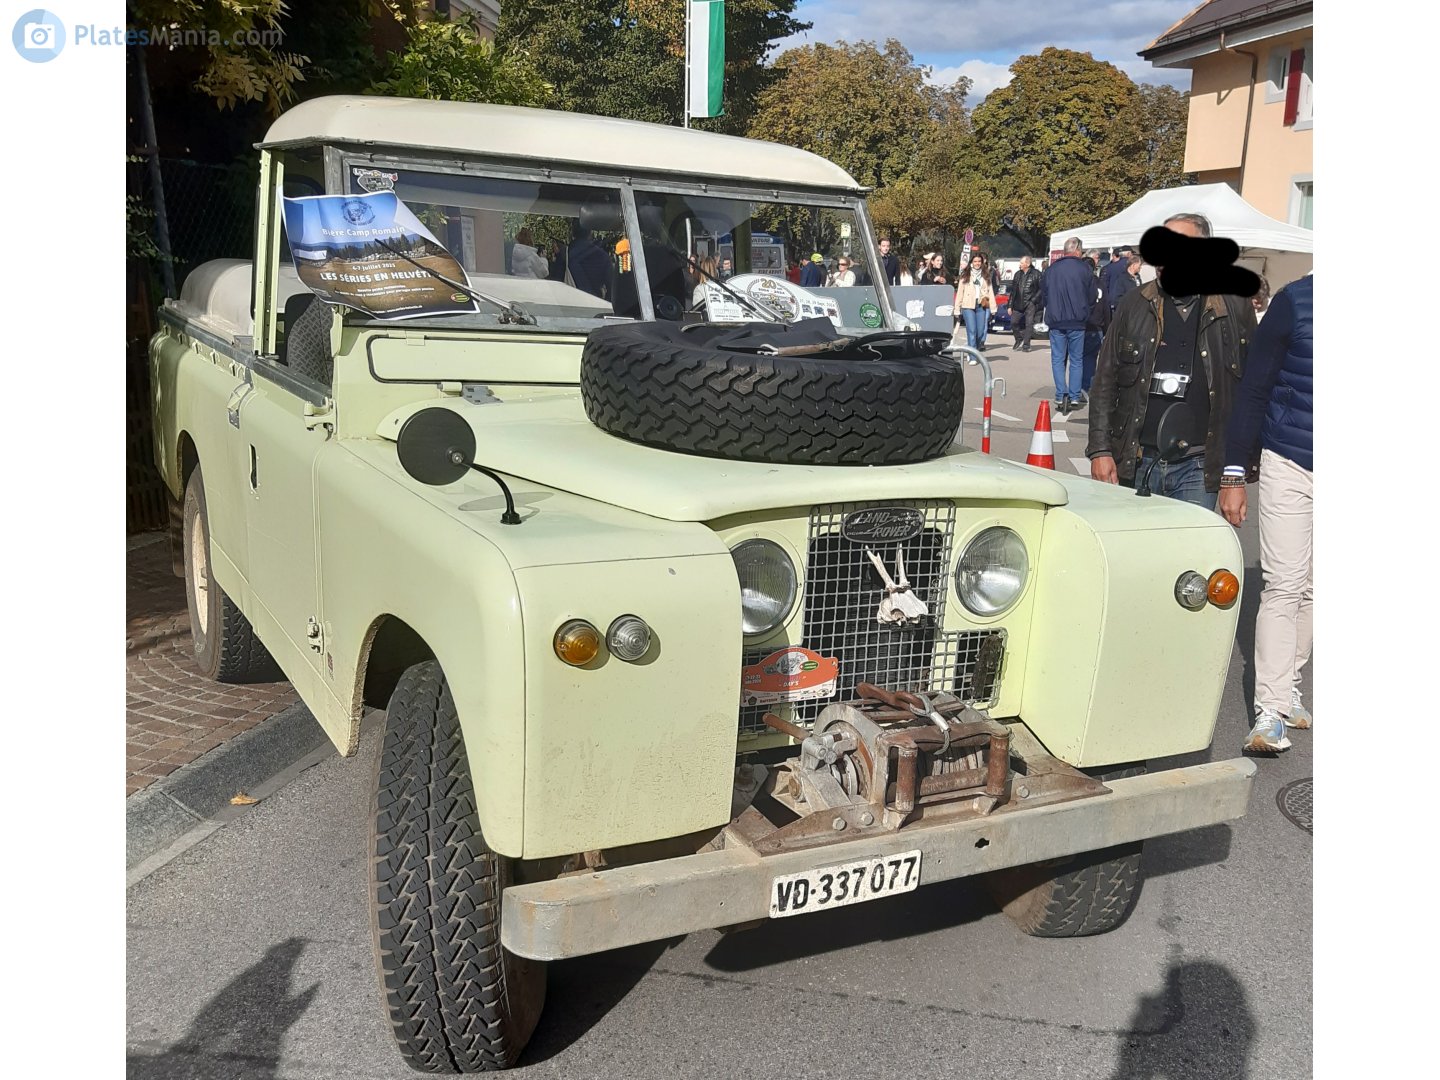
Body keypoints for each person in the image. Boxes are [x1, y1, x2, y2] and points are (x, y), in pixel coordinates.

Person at [1085, 212, 1258, 508]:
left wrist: (1234, 475)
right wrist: (1100, 450)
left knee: (1189, 554)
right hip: (1138, 460)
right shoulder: (1134, 304)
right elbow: (1104, 382)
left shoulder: (1234, 306)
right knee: (1135, 553)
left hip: (1198, 466)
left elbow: (1250, 393)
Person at [1219, 275, 1313, 754]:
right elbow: (1254, 389)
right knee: (1284, 584)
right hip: (1290, 461)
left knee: (1316, 589)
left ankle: (1289, 684)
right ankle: (1270, 711)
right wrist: (1234, 473)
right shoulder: (1295, 302)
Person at [1040, 237, 1094, 414]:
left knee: (1057, 358)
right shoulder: (1084, 269)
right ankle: (1074, 395)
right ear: (1078, 250)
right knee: (1076, 359)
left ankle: (1060, 392)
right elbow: (1093, 295)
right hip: (1077, 320)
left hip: (1056, 319)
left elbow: (1044, 294)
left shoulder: (1052, 269)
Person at [955, 252, 994, 350]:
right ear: (971, 262)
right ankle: (972, 355)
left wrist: (993, 308)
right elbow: (960, 293)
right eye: (975, 261)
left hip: (981, 305)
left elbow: (990, 291)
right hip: (968, 306)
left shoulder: (986, 275)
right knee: (972, 330)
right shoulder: (965, 275)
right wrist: (957, 308)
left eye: (979, 261)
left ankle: (972, 350)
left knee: (980, 331)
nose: (977, 263)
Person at [567, 224, 610, 299]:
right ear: (590, 232)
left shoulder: (564, 255)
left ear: (572, 232)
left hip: (566, 303)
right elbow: (612, 287)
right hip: (594, 304)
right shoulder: (602, 257)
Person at [1010, 255, 1043, 352]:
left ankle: (1026, 345)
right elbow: (1013, 291)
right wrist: (1010, 305)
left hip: (1030, 303)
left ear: (1027, 264)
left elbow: (1042, 289)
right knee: (1013, 322)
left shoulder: (1036, 274)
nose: (1019, 265)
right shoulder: (1017, 274)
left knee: (1029, 324)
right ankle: (1018, 338)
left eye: (1021, 263)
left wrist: (1033, 300)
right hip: (1017, 303)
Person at [1103, 245, 1137, 314]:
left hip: (1113, 303)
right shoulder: (1133, 267)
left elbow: (1104, 286)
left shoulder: (1109, 267)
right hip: (1130, 302)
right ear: (1128, 254)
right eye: (1132, 254)